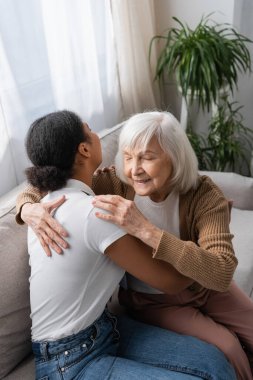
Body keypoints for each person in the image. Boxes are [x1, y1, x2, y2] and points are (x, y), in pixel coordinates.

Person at [22, 109, 237, 380]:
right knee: (219, 358)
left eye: (147, 157)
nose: (134, 167)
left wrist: (26, 208)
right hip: (70, 360)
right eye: (90, 130)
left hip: (103, 328)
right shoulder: (98, 211)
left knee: (214, 362)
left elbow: (220, 271)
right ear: (84, 149)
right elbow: (172, 282)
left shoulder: (48, 205)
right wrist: (25, 206)